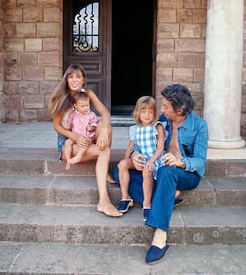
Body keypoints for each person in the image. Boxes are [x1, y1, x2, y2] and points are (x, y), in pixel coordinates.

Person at [113, 83, 208, 264]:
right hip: (156, 169)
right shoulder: (161, 121)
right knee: (120, 171)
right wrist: (135, 155)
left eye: (165, 106)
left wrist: (180, 162)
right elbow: (141, 142)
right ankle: (167, 196)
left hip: (185, 174)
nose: (161, 109)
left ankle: (160, 235)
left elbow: (200, 160)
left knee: (167, 171)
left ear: (179, 110)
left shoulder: (199, 126)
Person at [48, 63, 122, 217]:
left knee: (104, 125)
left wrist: (102, 131)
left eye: (78, 77)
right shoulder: (61, 98)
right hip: (68, 142)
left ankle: (103, 165)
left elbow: (105, 113)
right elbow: (57, 127)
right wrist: (75, 137)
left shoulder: (87, 93)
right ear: (66, 80)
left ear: (83, 80)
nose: (74, 80)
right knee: (104, 151)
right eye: (71, 77)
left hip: (87, 137)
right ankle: (103, 200)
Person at [116, 96, 165, 221]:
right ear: (138, 112)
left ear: (154, 113)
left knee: (147, 170)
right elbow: (131, 146)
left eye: (150, 112)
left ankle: (147, 204)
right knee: (122, 165)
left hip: (155, 158)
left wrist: (151, 161)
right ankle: (125, 197)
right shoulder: (135, 129)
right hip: (141, 158)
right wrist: (126, 159)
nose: (147, 115)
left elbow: (160, 148)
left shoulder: (157, 127)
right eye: (144, 112)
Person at [64, 91, 99, 170]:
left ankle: (79, 156)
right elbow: (69, 124)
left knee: (85, 144)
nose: (86, 108)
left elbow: (96, 124)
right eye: (82, 106)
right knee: (67, 143)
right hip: (75, 136)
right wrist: (67, 126)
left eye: (87, 105)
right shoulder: (73, 114)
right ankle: (68, 160)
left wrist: (91, 127)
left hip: (87, 136)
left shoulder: (91, 114)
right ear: (75, 106)